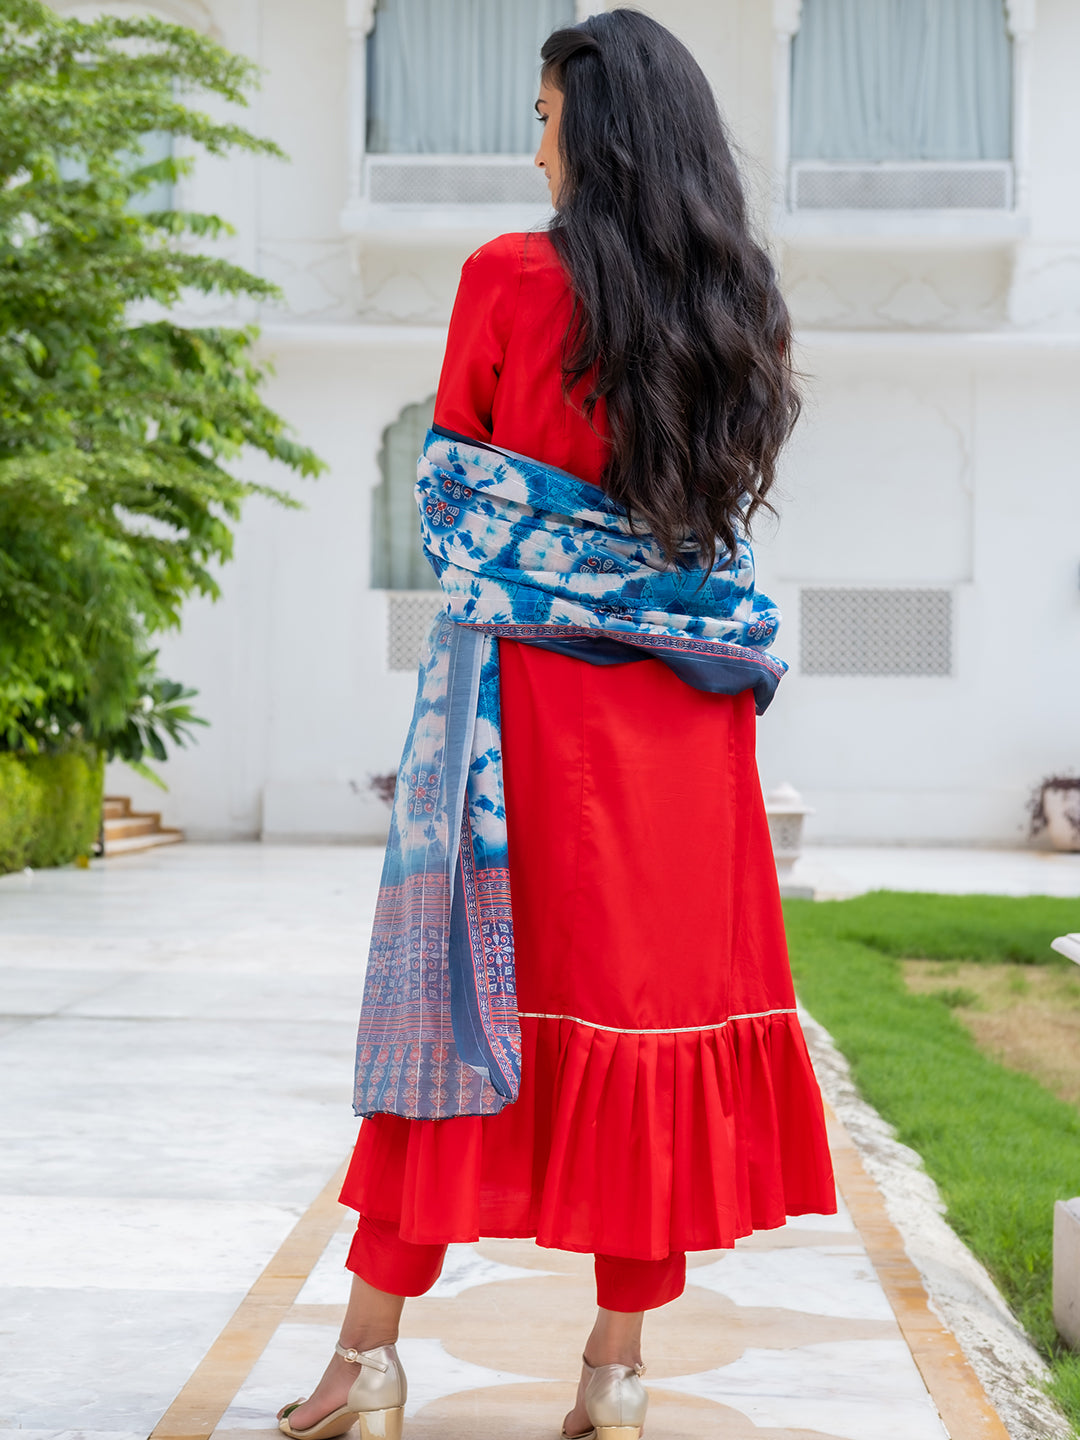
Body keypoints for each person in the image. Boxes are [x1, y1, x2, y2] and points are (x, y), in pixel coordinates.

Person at [278, 11, 835, 1440]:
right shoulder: (740, 304)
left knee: (460, 1008)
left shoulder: (508, 279)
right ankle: (617, 1378)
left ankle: (371, 1363)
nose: (534, 148)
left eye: (544, 117)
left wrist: (543, 553)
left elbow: (458, 506)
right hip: (686, 737)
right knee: (645, 1038)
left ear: (598, 132)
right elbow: (706, 538)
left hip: (521, 722)